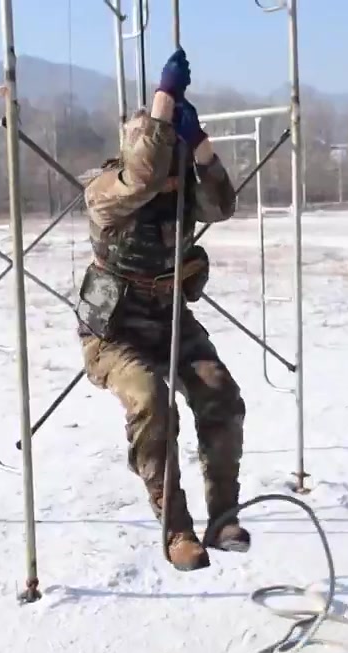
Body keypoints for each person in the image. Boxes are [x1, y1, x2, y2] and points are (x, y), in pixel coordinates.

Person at [76, 48, 245, 572]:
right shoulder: (108, 192)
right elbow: (143, 175)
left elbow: (221, 205)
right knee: (152, 403)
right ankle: (176, 529)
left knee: (220, 391)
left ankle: (224, 517)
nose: (170, 181)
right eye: (164, 163)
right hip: (116, 334)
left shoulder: (177, 191)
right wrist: (164, 102)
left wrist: (200, 147)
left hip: (171, 318)